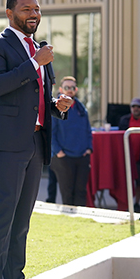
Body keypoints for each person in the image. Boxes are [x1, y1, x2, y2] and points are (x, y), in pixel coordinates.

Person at [0, 0, 72, 279]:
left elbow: (35, 97)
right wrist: (34, 62)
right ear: (9, 13)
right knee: (3, 212)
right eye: (25, 8)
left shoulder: (38, 49)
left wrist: (57, 105)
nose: (33, 13)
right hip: (7, 141)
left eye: (37, 8)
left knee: (23, 216)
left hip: (35, 139)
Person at [50, 77, 93, 206]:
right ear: (60, 89)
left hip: (82, 156)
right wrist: (59, 152)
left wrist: (89, 148)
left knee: (81, 192)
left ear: (76, 90)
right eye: (67, 87)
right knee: (67, 194)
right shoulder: (55, 107)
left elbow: (87, 130)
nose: (70, 90)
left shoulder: (81, 108)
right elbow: (50, 133)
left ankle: (80, 221)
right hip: (63, 158)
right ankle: (68, 220)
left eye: (72, 88)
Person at [118, 98, 140, 213]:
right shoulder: (124, 120)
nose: (136, 109)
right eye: (134, 106)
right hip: (127, 157)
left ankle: (137, 203)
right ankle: (126, 202)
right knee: (125, 182)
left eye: (138, 107)